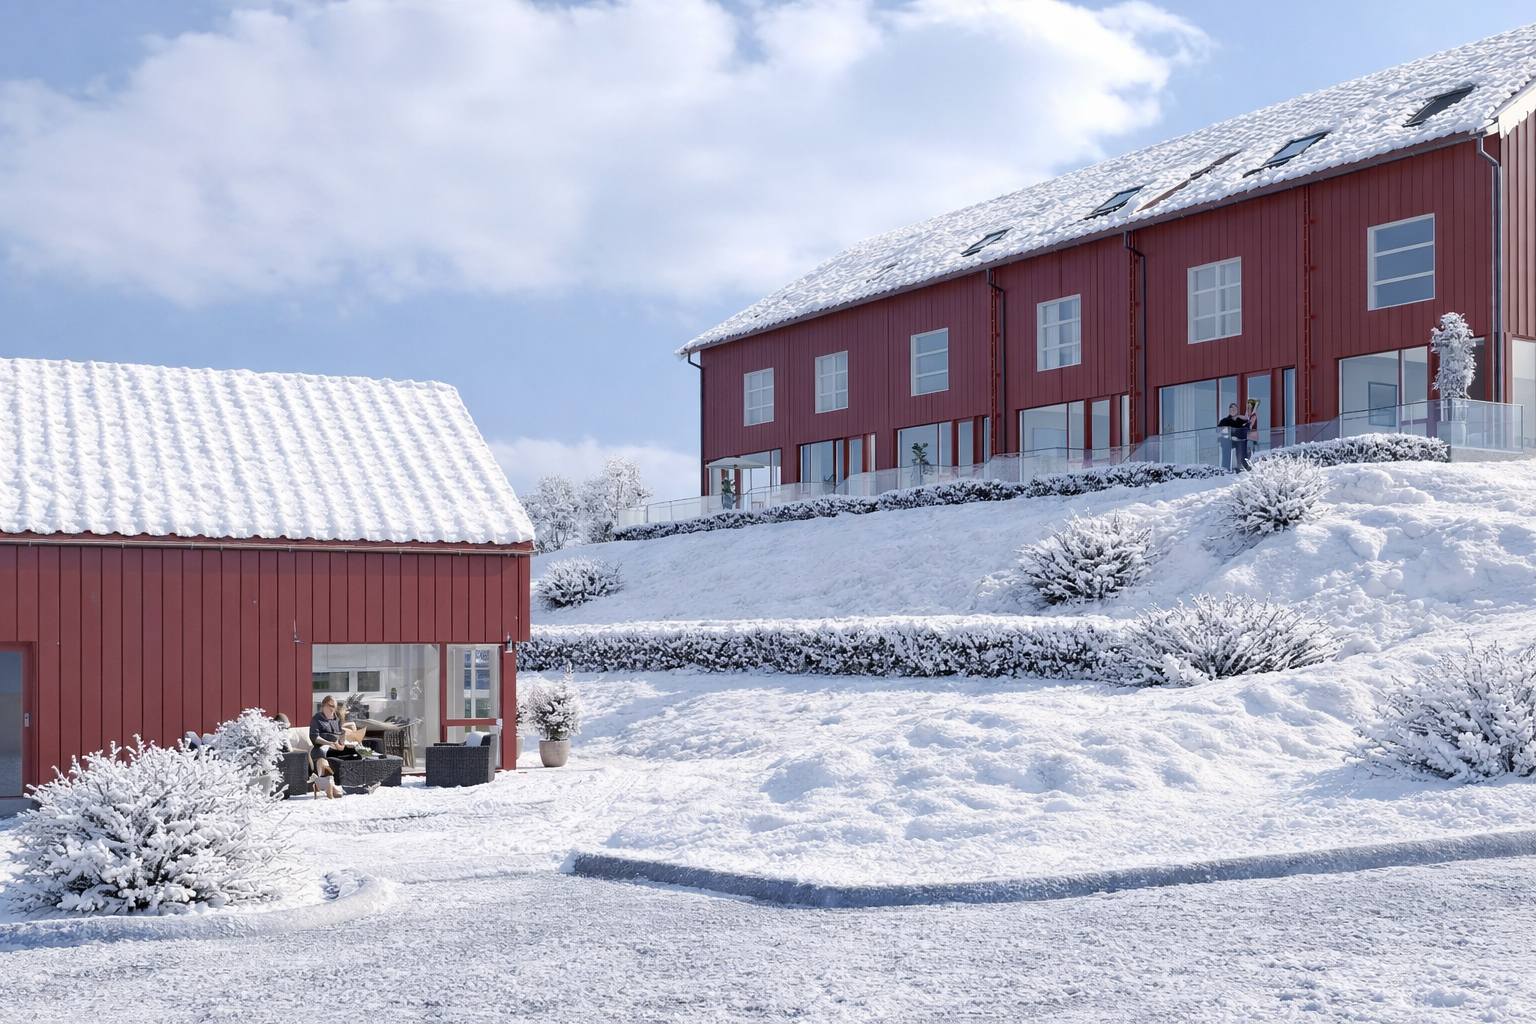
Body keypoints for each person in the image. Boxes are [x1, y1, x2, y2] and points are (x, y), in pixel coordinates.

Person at [1218, 402, 1250, 470]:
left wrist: (1243, 418)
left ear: (1237, 410)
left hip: (1239, 442)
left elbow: (1247, 428)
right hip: (1227, 442)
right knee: (1226, 456)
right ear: (1229, 410)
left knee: (1241, 450)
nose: (1233, 411)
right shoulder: (1225, 421)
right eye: (1231, 409)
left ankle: (1242, 467)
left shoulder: (1240, 421)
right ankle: (1225, 468)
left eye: (1235, 409)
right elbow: (1219, 430)